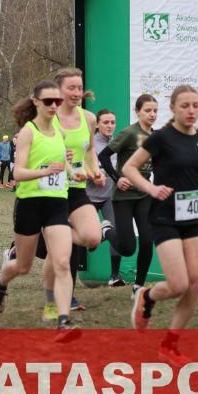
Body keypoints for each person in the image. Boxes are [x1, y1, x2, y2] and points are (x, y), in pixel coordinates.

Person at [123, 85, 198, 363]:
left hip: (195, 219)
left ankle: (169, 345)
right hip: (165, 218)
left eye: (195, 105)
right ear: (173, 108)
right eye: (184, 106)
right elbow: (129, 168)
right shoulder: (161, 138)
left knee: (194, 285)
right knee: (178, 284)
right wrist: (151, 189)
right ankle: (147, 297)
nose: (191, 110)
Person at [0, 80, 79, 336]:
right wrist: (45, 171)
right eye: (48, 101)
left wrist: (74, 171)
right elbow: (17, 173)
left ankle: (63, 321)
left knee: (62, 262)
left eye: (57, 101)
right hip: (29, 203)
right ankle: (1, 281)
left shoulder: (60, 131)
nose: (54, 106)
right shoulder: (28, 132)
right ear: (36, 102)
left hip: (57, 203)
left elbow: (62, 165)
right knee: (23, 266)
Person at [38, 67, 104, 318]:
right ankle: (51, 302)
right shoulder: (48, 118)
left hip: (76, 189)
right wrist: (59, 161)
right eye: (71, 88)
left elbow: (89, 151)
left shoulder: (89, 118)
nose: (77, 93)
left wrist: (95, 171)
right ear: (58, 90)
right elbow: (34, 153)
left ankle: (62, 237)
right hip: (50, 191)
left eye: (80, 88)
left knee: (93, 237)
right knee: (59, 255)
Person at [99, 94, 158, 295]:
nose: (152, 114)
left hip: (143, 195)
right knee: (127, 248)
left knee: (147, 240)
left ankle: (139, 286)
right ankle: (106, 231)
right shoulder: (129, 133)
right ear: (138, 111)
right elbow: (103, 156)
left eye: (155, 111)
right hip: (123, 197)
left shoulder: (155, 137)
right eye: (147, 110)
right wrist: (117, 179)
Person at [88, 110, 121, 285]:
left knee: (116, 233)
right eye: (106, 122)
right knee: (88, 238)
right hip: (89, 196)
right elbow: (78, 167)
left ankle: (115, 276)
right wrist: (93, 175)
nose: (110, 126)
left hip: (110, 197)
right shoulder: (90, 144)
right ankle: (96, 236)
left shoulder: (118, 143)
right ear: (97, 125)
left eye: (112, 122)